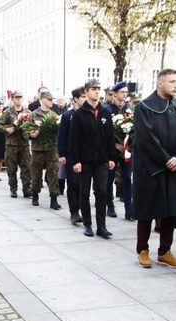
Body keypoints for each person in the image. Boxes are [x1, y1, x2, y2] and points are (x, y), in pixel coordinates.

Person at [132, 69, 176, 268]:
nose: (175, 85)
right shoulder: (145, 107)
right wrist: (167, 159)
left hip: (174, 168)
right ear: (160, 84)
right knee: (147, 209)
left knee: (171, 210)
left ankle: (165, 250)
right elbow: (146, 139)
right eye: (171, 81)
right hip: (151, 168)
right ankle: (143, 249)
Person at [68, 79, 116, 238]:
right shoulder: (80, 114)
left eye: (98, 89)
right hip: (85, 161)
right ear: (86, 91)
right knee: (84, 192)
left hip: (101, 160)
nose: (97, 92)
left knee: (101, 192)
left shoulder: (105, 113)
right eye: (93, 89)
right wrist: (75, 161)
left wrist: (111, 157)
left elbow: (110, 137)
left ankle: (101, 226)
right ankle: (87, 224)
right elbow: (73, 139)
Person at [25, 90, 61, 209]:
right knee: (36, 173)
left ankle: (54, 198)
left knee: (53, 174)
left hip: (51, 148)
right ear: (43, 100)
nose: (51, 102)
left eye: (52, 100)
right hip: (38, 149)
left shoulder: (53, 115)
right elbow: (26, 130)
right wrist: (32, 134)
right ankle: (35, 194)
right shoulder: (34, 114)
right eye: (49, 100)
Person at [58, 86, 86, 224]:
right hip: (70, 154)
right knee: (73, 183)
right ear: (76, 98)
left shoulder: (90, 114)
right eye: (83, 97)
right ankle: (74, 211)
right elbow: (62, 136)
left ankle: (83, 209)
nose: (85, 99)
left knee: (83, 184)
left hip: (86, 155)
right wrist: (61, 153)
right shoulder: (67, 116)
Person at [0, 91, 32, 198]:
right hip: (12, 144)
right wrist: (7, 129)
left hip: (24, 144)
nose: (19, 100)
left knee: (26, 168)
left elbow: (32, 124)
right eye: (17, 98)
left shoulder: (27, 112)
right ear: (12, 99)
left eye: (20, 98)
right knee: (12, 168)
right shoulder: (8, 112)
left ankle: (26, 189)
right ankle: (13, 188)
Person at [106, 81, 132, 220]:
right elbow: (104, 133)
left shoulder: (130, 110)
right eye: (122, 92)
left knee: (127, 178)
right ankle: (109, 205)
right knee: (109, 178)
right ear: (114, 94)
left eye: (126, 92)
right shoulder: (108, 110)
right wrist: (115, 144)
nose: (125, 94)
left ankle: (129, 208)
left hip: (127, 150)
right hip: (112, 150)